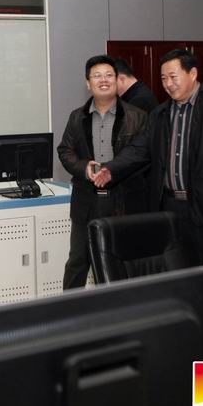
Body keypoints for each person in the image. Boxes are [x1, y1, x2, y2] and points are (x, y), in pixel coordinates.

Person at [92, 49, 203, 265]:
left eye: (173, 77)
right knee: (175, 273)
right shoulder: (160, 114)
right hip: (169, 208)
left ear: (192, 74)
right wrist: (111, 168)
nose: (168, 84)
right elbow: (139, 149)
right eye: (163, 78)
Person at [57, 55, 148, 288]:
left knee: (122, 261)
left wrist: (112, 171)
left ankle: (120, 307)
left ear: (117, 80)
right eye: (97, 76)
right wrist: (83, 168)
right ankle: (71, 308)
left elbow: (143, 154)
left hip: (124, 200)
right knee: (78, 261)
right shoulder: (77, 117)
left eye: (109, 75)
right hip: (86, 201)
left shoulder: (137, 116)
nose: (104, 80)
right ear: (88, 83)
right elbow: (65, 150)